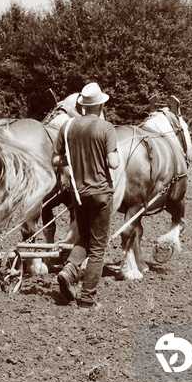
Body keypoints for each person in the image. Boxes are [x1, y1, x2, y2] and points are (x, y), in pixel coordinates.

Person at [51, 82, 119, 309]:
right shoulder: (106, 128)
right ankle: (87, 299)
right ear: (100, 105)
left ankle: (69, 270)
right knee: (98, 247)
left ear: (81, 106)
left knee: (83, 239)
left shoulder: (68, 127)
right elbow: (114, 163)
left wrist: (73, 160)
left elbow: (55, 160)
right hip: (101, 194)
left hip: (78, 194)